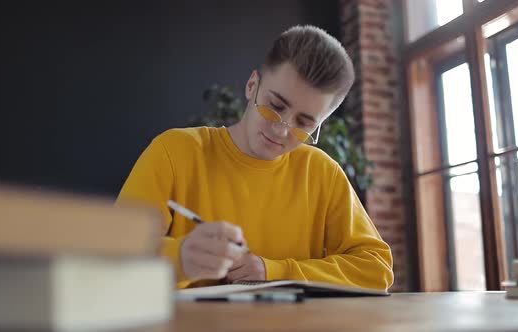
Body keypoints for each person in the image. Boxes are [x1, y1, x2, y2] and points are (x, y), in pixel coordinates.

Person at [117, 25, 394, 290]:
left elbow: (376, 268)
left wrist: (274, 271)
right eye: (275, 106)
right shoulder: (174, 151)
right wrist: (181, 258)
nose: (281, 129)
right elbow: (111, 251)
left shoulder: (322, 172)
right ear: (252, 86)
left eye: (304, 123)